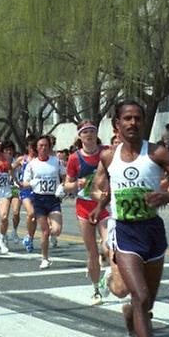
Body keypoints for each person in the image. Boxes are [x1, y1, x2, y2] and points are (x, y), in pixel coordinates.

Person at [89, 100, 169, 337]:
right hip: (125, 232)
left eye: (137, 119)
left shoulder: (157, 152)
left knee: (147, 302)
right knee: (141, 296)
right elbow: (111, 187)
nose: (132, 123)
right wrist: (101, 206)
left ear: (143, 123)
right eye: (127, 119)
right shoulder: (108, 157)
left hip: (153, 232)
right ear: (117, 125)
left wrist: (165, 197)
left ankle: (131, 317)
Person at [65, 121, 114, 304]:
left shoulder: (106, 152)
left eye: (92, 131)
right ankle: (96, 290)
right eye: (85, 132)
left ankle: (108, 276)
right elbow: (67, 185)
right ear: (80, 136)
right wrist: (76, 184)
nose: (89, 135)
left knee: (110, 246)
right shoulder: (74, 158)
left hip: (104, 206)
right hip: (84, 207)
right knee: (92, 251)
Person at [21, 135, 65, 269]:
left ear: (50, 147)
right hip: (39, 200)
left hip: (53, 199)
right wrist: (31, 183)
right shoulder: (32, 164)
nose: (43, 148)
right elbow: (25, 183)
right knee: (45, 231)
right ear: (36, 148)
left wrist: (62, 186)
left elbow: (65, 176)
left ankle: (52, 238)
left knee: (56, 230)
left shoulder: (56, 162)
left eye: (46, 145)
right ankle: (45, 258)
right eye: (41, 146)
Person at [12, 136, 38, 252]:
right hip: (25, 190)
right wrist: (16, 180)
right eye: (31, 147)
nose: (33, 150)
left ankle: (30, 238)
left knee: (34, 217)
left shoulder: (40, 160)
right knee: (31, 213)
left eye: (34, 147)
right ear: (27, 147)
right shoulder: (23, 159)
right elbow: (10, 168)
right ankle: (28, 236)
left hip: (37, 189)